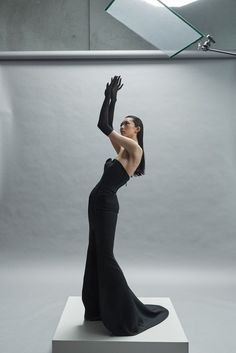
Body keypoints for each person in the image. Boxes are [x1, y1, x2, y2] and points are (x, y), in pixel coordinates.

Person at [81, 76, 169, 336]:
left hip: (107, 204)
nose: (122, 125)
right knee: (95, 253)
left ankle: (125, 315)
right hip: (97, 203)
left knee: (106, 257)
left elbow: (102, 124)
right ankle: (97, 309)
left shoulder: (134, 149)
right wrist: (113, 99)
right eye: (122, 123)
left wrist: (109, 97)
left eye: (127, 123)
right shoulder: (122, 149)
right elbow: (108, 125)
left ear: (137, 129)